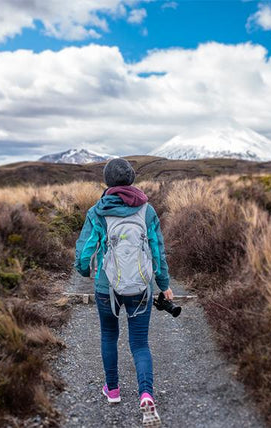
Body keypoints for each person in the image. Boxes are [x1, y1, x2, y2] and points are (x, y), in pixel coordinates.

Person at [74, 158, 172, 427]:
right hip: (141, 287)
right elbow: (157, 251)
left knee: (109, 335)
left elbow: (85, 252)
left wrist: (85, 272)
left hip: (108, 287)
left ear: (107, 181)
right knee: (140, 344)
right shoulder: (147, 210)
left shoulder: (97, 211)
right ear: (130, 179)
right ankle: (146, 395)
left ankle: (113, 390)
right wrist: (164, 285)